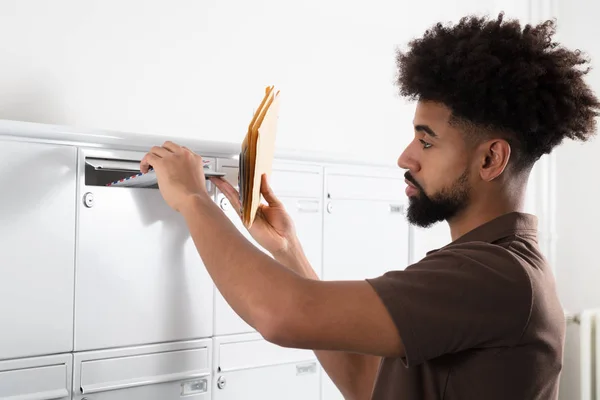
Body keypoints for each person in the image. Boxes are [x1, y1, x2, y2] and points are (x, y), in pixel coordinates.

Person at [140, 12, 600, 400]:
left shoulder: (496, 274)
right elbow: (367, 383)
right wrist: (288, 251)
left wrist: (193, 199)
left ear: (490, 158)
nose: (406, 156)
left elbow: (282, 315)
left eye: (427, 140)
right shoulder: (492, 268)